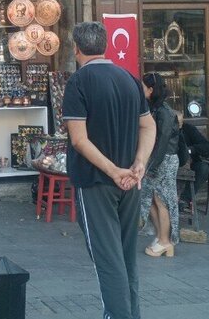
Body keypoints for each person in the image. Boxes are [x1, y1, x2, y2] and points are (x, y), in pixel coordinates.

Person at [62, 22, 155, 319]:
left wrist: (113, 170)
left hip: (97, 182)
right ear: (105, 46)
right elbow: (148, 124)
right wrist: (139, 163)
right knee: (126, 257)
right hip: (129, 180)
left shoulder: (79, 82)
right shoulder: (129, 78)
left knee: (108, 260)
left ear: (77, 48)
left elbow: (78, 140)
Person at [139, 73, 182, 257]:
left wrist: (153, 166)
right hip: (154, 159)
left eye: (143, 87)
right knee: (149, 200)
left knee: (161, 199)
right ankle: (160, 235)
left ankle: (166, 241)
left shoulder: (164, 112)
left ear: (151, 89)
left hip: (164, 159)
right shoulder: (153, 109)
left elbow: (163, 141)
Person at [179, 119, 209, 202]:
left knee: (203, 168)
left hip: (190, 162)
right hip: (171, 163)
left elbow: (206, 146)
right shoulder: (164, 128)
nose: (178, 124)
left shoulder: (188, 129)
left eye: (179, 122)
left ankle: (184, 199)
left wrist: (190, 150)